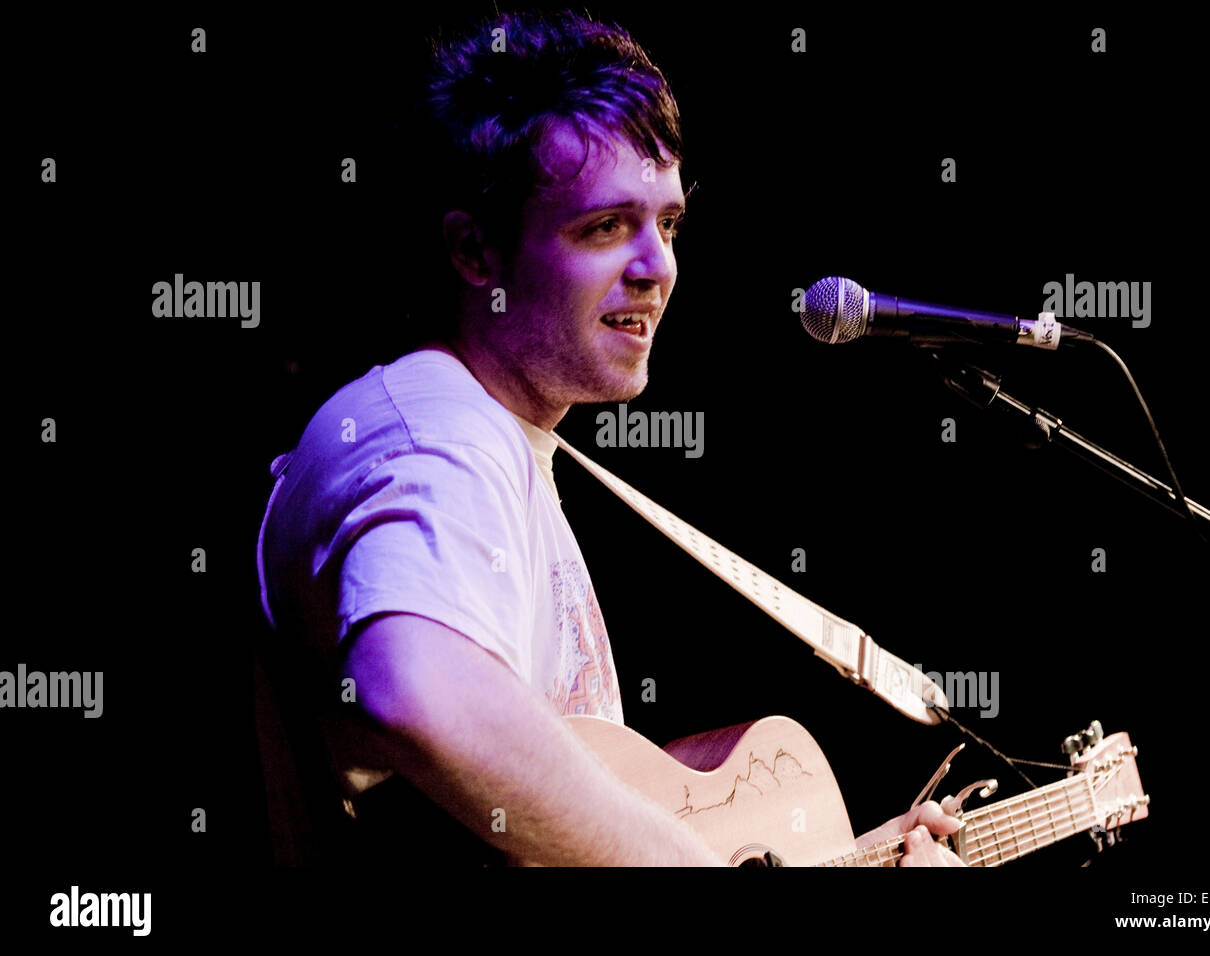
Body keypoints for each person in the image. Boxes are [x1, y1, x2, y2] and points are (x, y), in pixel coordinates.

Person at [257, 8, 963, 866]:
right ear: (474, 251)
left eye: (666, 225)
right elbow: (416, 686)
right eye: (604, 226)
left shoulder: (498, 441)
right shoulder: (439, 432)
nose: (658, 265)